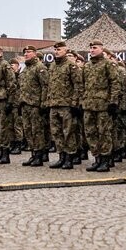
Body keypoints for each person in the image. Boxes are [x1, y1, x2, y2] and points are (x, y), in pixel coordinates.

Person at [81, 40, 121, 172]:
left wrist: (113, 102)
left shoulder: (108, 64)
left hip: (103, 105)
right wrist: (82, 101)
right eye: (91, 48)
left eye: (95, 48)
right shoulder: (87, 66)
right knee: (90, 132)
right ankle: (97, 158)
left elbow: (115, 83)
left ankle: (105, 160)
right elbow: (83, 85)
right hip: (89, 105)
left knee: (104, 133)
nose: (92, 50)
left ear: (101, 49)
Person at [47, 42, 84, 170]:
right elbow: (50, 85)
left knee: (68, 132)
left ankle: (69, 158)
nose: (56, 51)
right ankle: (61, 157)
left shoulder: (71, 66)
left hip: (67, 105)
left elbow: (78, 86)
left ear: (65, 50)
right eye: (55, 49)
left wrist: (75, 104)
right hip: (54, 104)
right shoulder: (53, 65)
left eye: (59, 49)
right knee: (56, 132)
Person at [18, 46, 50, 167]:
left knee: (37, 131)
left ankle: (39, 155)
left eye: (29, 52)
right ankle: (33, 153)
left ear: (35, 53)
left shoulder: (39, 67)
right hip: (25, 104)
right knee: (28, 131)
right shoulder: (26, 69)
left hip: (36, 105)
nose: (26, 54)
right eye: (25, 52)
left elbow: (45, 86)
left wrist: (43, 104)